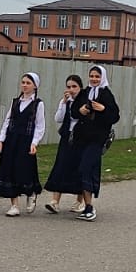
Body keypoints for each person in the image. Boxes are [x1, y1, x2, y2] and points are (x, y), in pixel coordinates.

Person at [69, 63, 120, 221]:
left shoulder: (106, 94)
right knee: (86, 170)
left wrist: (103, 109)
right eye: (91, 76)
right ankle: (87, 206)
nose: (94, 79)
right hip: (82, 138)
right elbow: (73, 112)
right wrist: (80, 111)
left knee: (86, 167)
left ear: (102, 77)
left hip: (97, 139)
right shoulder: (85, 93)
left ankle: (89, 207)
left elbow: (115, 116)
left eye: (97, 76)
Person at [0, 73, 45, 216]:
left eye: (28, 83)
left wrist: (34, 143)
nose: (25, 85)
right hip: (11, 140)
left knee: (25, 169)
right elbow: (7, 121)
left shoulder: (38, 104)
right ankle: (14, 205)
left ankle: (31, 193)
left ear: (35, 86)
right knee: (9, 170)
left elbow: (40, 126)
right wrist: (1, 140)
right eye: (23, 82)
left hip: (26, 141)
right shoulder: (15, 102)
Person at [41, 74, 84, 214]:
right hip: (66, 137)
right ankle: (55, 201)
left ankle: (79, 201)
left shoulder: (84, 101)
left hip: (81, 138)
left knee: (80, 169)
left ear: (80, 87)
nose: (71, 89)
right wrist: (63, 103)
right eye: (69, 86)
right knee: (60, 166)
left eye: (74, 86)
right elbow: (58, 118)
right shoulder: (67, 102)